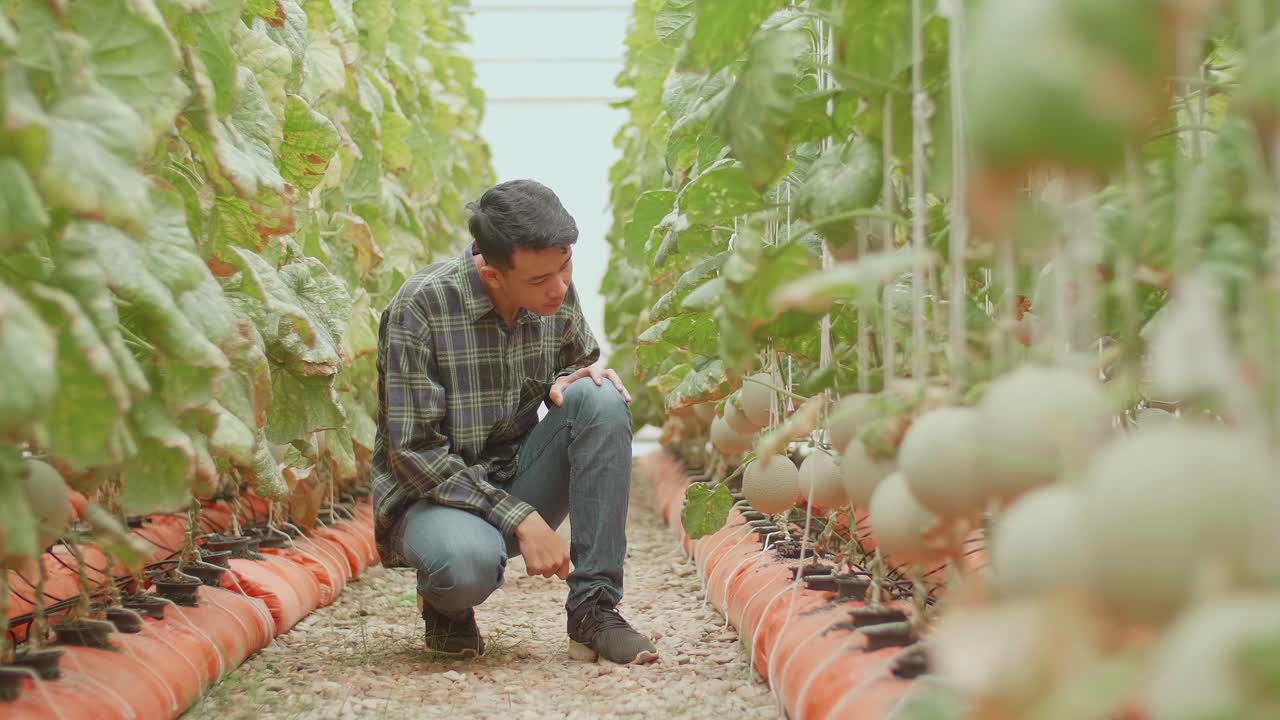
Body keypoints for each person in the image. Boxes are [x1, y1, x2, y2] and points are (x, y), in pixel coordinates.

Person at [371, 179, 658, 665]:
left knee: (601, 397)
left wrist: (568, 380)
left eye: (565, 264)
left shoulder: (553, 289)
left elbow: (576, 359)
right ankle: (446, 607)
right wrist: (521, 518)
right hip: (433, 497)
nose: (559, 286)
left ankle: (594, 609)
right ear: (492, 276)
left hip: (516, 474)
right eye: (541, 279)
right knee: (465, 567)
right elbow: (413, 454)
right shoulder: (420, 307)